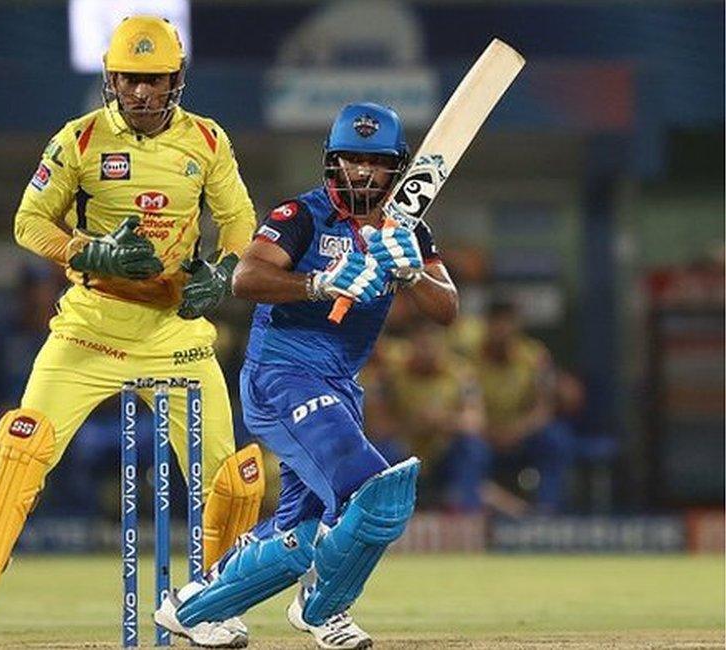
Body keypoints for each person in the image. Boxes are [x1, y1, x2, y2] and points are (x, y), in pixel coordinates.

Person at [0, 16, 264, 642]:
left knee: (227, 475)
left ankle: (218, 601)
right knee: (24, 441)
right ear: (111, 79)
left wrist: (222, 273)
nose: (141, 94)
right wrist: (89, 253)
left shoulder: (209, 143)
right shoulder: (78, 141)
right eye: (130, 81)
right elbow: (29, 223)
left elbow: (239, 217)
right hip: (88, 331)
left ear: (176, 80)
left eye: (154, 81)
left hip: (176, 335)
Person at [154, 102, 459, 649]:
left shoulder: (409, 230)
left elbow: (447, 309)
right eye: (350, 160)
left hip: (339, 387)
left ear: (397, 168)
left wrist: (412, 273)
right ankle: (325, 610)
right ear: (331, 163)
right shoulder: (301, 216)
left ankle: (194, 609)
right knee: (375, 490)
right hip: (281, 376)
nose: (362, 173)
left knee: (302, 532)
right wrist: (320, 284)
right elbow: (246, 278)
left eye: (376, 163)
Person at [365, 317, 487, 511]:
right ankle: (383, 513)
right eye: (421, 344)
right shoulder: (390, 375)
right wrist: (412, 424)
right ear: (411, 344)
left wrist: (443, 420)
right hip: (404, 451)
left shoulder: (461, 374)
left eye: (432, 344)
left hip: (442, 452)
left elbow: (476, 422)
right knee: (379, 450)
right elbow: (376, 427)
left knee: (473, 447)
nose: (427, 351)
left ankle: (466, 513)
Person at [473, 299, 572, 513]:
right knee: (469, 449)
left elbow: (544, 407)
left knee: (555, 438)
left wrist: (518, 431)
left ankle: (547, 512)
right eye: (496, 323)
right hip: (484, 436)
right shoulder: (471, 359)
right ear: (486, 325)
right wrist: (488, 432)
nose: (502, 330)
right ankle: (470, 515)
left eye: (507, 323)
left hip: (522, 435)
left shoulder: (534, 356)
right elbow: (465, 407)